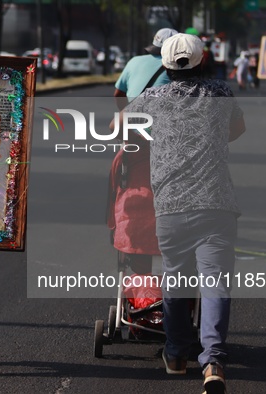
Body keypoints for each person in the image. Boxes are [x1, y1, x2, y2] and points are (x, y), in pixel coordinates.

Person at [118, 33, 246, 393]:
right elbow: (238, 128)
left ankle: (175, 355)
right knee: (215, 282)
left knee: (175, 278)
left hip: (171, 206)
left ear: (165, 65)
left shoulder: (152, 99)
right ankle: (214, 361)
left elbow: (117, 127)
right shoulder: (220, 93)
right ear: (203, 61)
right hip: (217, 203)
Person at [108, 28, 178, 277]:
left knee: (118, 174)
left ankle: (114, 223)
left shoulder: (135, 62)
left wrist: (128, 113)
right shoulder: (178, 73)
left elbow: (118, 96)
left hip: (133, 143)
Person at [113, 28, 178, 109]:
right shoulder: (177, 67)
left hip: (134, 114)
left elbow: (118, 94)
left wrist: (126, 115)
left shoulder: (134, 61)